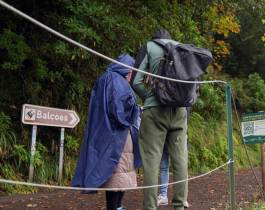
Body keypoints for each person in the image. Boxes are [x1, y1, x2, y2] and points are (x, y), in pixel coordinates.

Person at [72, 53, 141, 210]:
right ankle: (115, 206)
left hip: (103, 132)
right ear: (126, 70)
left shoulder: (104, 78)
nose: (132, 75)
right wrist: (135, 110)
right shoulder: (118, 82)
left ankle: (117, 206)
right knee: (119, 174)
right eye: (131, 72)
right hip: (118, 136)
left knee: (117, 174)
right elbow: (120, 112)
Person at [132, 28, 188, 210]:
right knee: (180, 160)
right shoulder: (180, 47)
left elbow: (136, 81)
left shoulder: (148, 46)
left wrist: (150, 96)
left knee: (151, 161)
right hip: (179, 110)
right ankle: (179, 205)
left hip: (155, 110)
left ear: (154, 38)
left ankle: (150, 206)